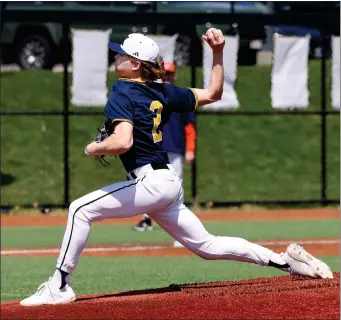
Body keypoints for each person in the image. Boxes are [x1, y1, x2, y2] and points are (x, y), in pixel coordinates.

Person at [20, 29, 333, 307]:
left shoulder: (122, 90)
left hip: (149, 183)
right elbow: (213, 94)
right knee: (208, 246)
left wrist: (93, 147)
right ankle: (285, 261)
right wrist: (219, 52)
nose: (116, 57)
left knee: (79, 209)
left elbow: (123, 141)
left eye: (122, 54)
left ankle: (59, 285)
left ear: (135, 65)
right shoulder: (161, 90)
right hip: (167, 182)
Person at [133, 61, 196, 235]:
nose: (166, 76)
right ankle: (147, 219)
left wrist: (190, 149)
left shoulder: (180, 96)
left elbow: (189, 127)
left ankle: (179, 222)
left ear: (174, 76)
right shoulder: (149, 94)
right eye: (164, 73)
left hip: (175, 148)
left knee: (176, 184)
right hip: (153, 149)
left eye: (169, 73)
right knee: (148, 183)